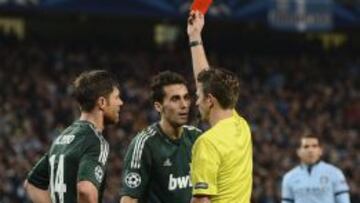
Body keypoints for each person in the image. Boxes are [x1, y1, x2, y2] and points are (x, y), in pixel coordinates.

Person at [24, 70, 124, 203]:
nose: (121, 103)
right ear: (102, 102)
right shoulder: (95, 140)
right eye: (116, 97)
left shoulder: (61, 139)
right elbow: (85, 190)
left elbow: (31, 185)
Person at [187, 11, 253, 203]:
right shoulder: (241, 126)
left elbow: (201, 201)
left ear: (210, 100)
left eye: (198, 97)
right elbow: (206, 81)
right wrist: (195, 37)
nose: (196, 102)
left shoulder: (207, 143)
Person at [119, 71, 202, 203]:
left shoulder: (197, 138)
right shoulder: (145, 143)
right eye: (175, 99)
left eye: (186, 97)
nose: (184, 105)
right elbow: (129, 200)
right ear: (158, 106)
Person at [281, 134, 351, 203]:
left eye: (314, 146)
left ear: (320, 151)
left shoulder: (335, 173)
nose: (310, 150)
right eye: (306, 147)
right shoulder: (289, 177)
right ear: (298, 152)